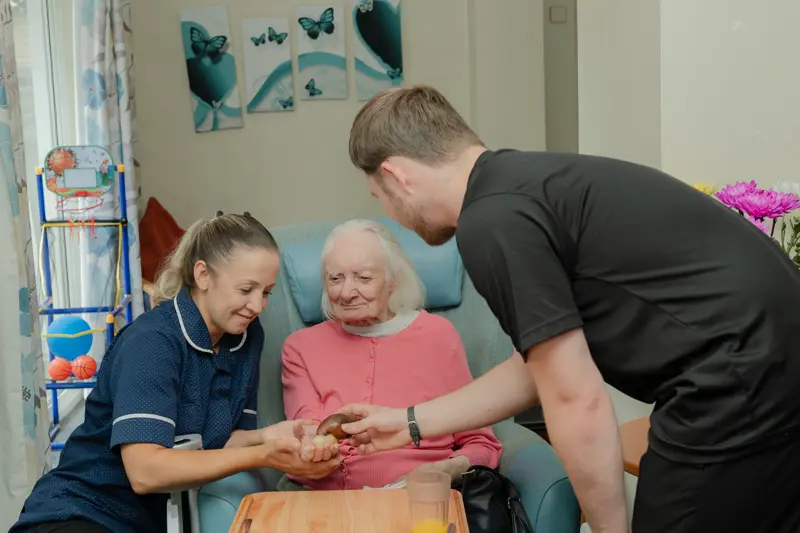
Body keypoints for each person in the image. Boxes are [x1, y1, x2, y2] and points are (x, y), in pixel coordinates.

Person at [334, 85, 800, 533]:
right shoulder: (522, 187)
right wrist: (410, 423)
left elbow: (575, 399)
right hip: (774, 357)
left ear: (397, 175)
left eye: (381, 197)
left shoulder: (491, 220)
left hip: (738, 377)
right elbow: (536, 370)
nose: (391, 214)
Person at [11, 213, 340, 533]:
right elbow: (145, 471)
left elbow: (218, 441)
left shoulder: (246, 337)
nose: (257, 306)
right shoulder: (153, 341)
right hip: (80, 511)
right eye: (245, 290)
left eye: (266, 292)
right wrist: (264, 455)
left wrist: (268, 436)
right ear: (203, 275)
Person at [280, 219, 502, 491]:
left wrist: (445, 470)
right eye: (335, 278)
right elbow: (307, 431)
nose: (346, 293)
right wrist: (309, 449)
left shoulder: (438, 336)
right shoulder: (301, 347)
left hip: (423, 495)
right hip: (327, 500)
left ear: (392, 279)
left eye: (364, 277)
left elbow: (482, 444)